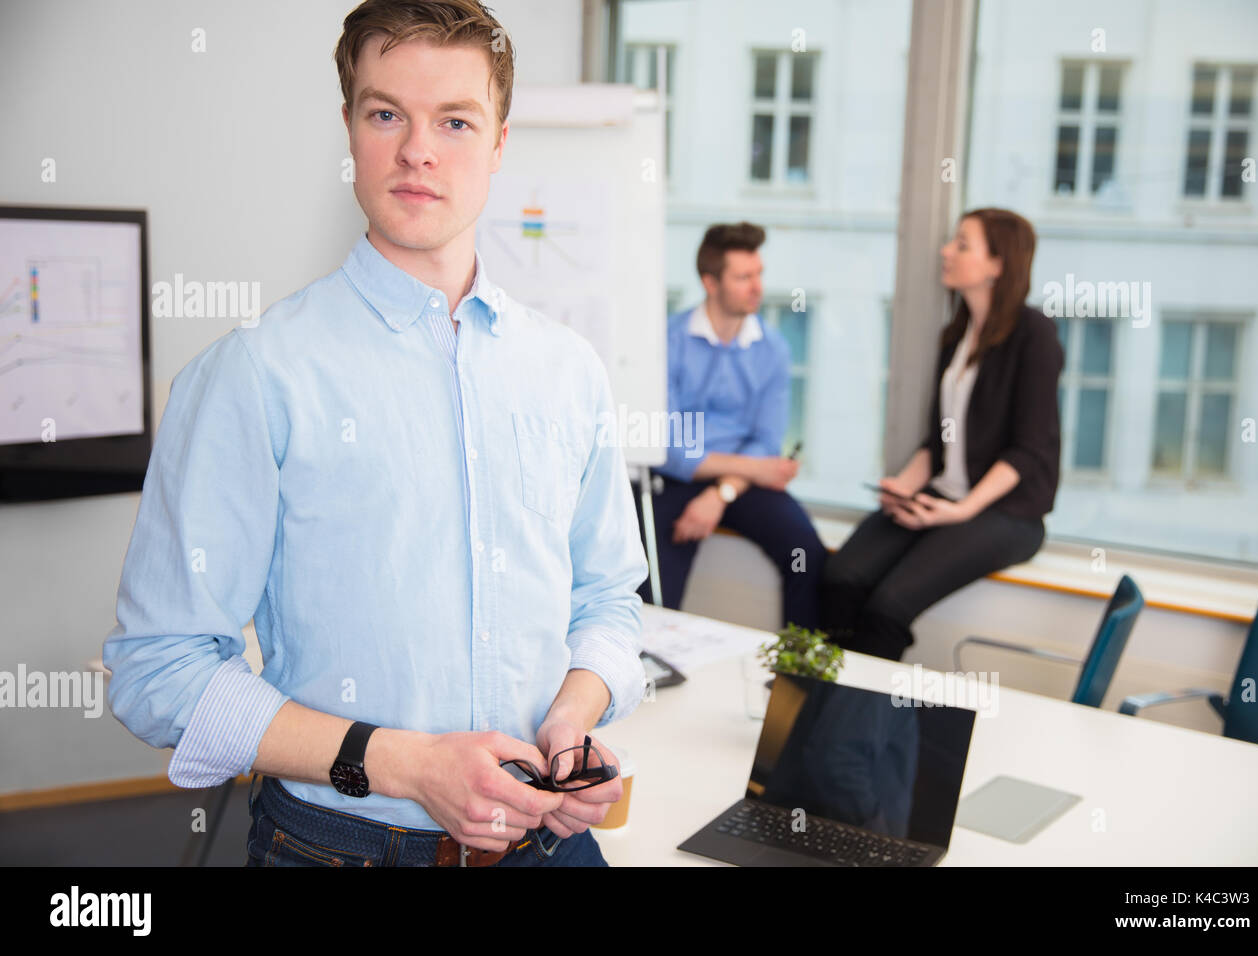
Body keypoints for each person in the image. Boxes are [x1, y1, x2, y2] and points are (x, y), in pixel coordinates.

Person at [102, 0, 648, 868]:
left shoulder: (569, 371)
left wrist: (572, 722)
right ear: (350, 129)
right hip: (340, 847)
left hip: (550, 842)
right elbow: (159, 670)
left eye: (456, 120)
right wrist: (404, 764)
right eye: (385, 112)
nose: (417, 150)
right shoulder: (255, 373)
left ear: (500, 144)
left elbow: (609, 602)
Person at [820, 208, 1064, 661]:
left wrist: (960, 512)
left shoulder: (1036, 335)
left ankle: (858, 721)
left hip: (1007, 514)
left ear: (998, 264)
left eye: (962, 244)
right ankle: (821, 700)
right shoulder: (957, 336)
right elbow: (938, 443)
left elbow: (1029, 451)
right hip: (943, 497)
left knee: (888, 606)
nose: (945, 251)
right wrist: (904, 487)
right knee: (840, 577)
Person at [635, 222, 827, 630]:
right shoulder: (667, 341)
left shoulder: (773, 349)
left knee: (807, 553)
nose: (757, 287)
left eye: (758, 274)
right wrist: (758, 470)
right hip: (676, 478)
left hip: (738, 482)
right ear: (710, 282)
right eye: (743, 277)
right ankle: (647, 677)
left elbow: (766, 440)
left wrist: (721, 493)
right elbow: (669, 448)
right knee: (650, 589)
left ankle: (796, 677)